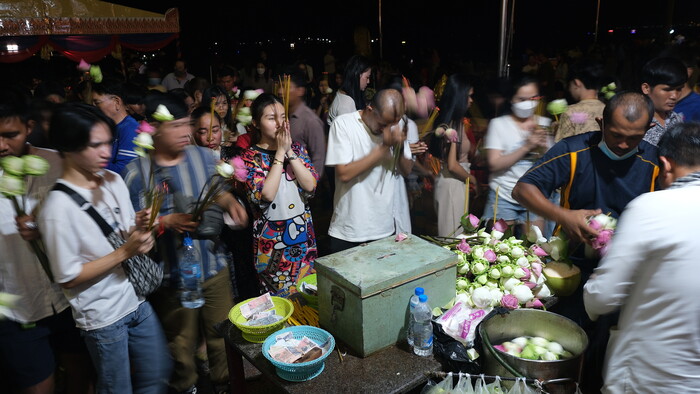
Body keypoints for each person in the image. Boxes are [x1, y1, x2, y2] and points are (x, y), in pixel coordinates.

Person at [512, 92, 659, 393]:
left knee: (605, 360)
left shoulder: (655, 163)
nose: (622, 144)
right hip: (571, 271)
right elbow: (523, 189)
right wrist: (564, 216)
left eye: (633, 138)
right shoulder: (575, 150)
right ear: (600, 122)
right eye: (616, 134)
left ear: (648, 130)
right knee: (562, 352)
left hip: (626, 280)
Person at [39, 103, 171, 393]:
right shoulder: (57, 208)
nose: (106, 152)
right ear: (68, 147)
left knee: (157, 372)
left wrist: (142, 229)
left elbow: (128, 237)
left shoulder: (113, 180)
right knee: (116, 388)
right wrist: (125, 252)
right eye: (94, 145)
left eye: (108, 142)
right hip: (102, 317)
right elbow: (68, 276)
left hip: (136, 297)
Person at [122, 93, 247, 394]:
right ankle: (187, 387)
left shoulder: (202, 157)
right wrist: (166, 222)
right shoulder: (137, 173)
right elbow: (129, 228)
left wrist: (231, 203)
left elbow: (217, 190)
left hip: (212, 264)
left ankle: (225, 384)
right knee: (180, 344)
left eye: (185, 125)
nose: (184, 133)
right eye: (174, 126)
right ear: (152, 127)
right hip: (172, 275)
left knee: (223, 335)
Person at [584, 122, 700, 393]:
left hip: (649, 376)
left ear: (665, 164)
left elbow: (603, 297)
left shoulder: (651, 207)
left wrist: (595, 284)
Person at [0, 88, 94, 394]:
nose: (1, 145)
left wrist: (47, 230)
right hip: (17, 306)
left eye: (10, 135)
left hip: (68, 297)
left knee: (81, 371)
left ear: (29, 127)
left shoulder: (59, 165)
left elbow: (90, 223)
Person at [240, 93, 319, 296]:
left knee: (308, 299)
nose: (279, 123)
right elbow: (266, 195)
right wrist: (280, 154)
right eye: (271, 118)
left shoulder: (298, 150)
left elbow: (310, 185)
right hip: (272, 248)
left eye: (283, 117)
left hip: (303, 242)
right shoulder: (250, 158)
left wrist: (290, 152)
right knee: (280, 305)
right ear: (256, 123)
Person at [325, 89, 412, 252]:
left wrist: (398, 145)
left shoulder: (394, 126)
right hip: (349, 230)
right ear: (370, 109)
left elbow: (406, 170)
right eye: (383, 124)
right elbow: (344, 173)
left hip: (384, 228)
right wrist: (383, 148)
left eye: (392, 124)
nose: (387, 129)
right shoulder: (344, 124)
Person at [481, 76, 551, 234]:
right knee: (499, 250)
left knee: (535, 249)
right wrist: (527, 145)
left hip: (534, 195)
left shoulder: (544, 124)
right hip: (504, 195)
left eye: (533, 98)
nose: (528, 103)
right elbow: (494, 163)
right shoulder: (498, 124)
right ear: (511, 99)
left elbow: (550, 164)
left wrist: (545, 146)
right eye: (522, 99)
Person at [427, 74, 479, 236]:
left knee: (457, 235)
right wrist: (473, 179)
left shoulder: (452, 123)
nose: (471, 100)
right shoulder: (452, 127)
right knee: (452, 238)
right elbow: (453, 165)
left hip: (454, 182)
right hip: (453, 183)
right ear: (459, 97)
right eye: (469, 96)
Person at [279, 69, 326, 177]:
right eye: (281, 87)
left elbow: (318, 160)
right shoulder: (282, 116)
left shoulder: (310, 120)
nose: (281, 91)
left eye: (287, 87)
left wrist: (309, 187)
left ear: (300, 91)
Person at [554, 59, 611, 142]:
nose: (569, 90)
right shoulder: (609, 110)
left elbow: (560, 149)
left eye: (569, 85)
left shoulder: (571, 112)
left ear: (577, 83)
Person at [91, 78, 140, 174]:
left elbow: (125, 171)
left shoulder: (131, 129)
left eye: (97, 103)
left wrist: (91, 158)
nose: (94, 107)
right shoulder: (110, 128)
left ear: (117, 102)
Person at [640, 56, 687, 146]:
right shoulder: (635, 120)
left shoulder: (676, 119)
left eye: (679, 89)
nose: (674, 96)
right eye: (667, 90)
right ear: (646, 88)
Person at [327, 55, 372, 125]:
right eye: (367, 77)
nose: (368, 81)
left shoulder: (344, 94)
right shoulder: (346, 104)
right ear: (357, 75)